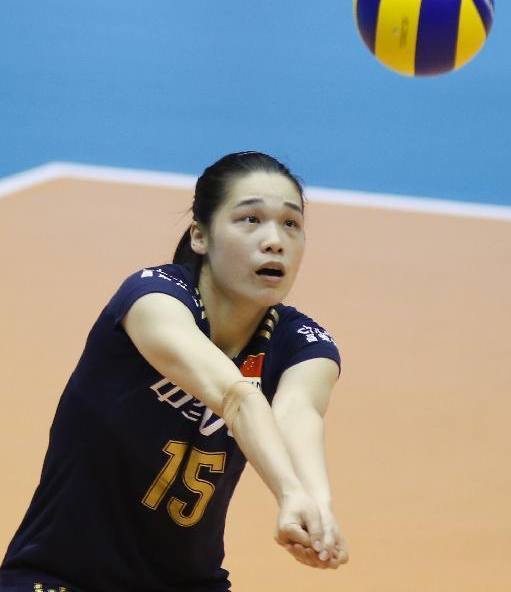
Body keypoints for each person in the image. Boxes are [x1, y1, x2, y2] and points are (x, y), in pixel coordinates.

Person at [0, 151, 349, 591]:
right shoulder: (153, 299)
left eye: (291, 224)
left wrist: (317, 509)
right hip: (61, 578)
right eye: (250, 220)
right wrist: (287, 492)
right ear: (200, 236)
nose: (275, 240)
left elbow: (298, 415)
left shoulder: (304, 344)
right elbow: (236, 396)